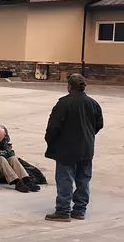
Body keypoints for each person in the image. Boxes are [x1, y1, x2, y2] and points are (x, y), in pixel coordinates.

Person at [44, 73, 104, 222]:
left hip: (66, 149)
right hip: (86, 148)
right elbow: (99, 124)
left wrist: (50, 141)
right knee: (83, 179)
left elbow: (53, 127)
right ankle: (79, 210)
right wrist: (89, 136)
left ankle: (63, 211)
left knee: (65, 178)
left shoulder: (64, 103)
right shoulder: (93, 103)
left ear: (69, 86)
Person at [0, 125, 39, 193]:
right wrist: (1, 153)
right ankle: (16, 182)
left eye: (0, 137)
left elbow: (11, 153)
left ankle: (26, 180)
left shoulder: (4, 139)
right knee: (1, 159)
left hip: (1, 164)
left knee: (13, 159)